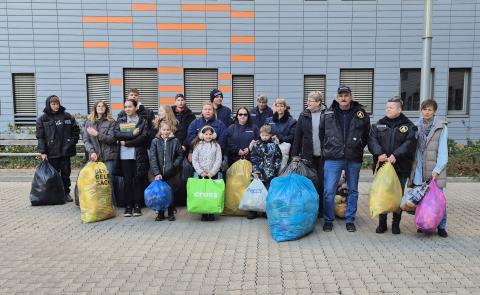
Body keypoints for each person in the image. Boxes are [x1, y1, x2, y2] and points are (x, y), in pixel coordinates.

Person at [320, 86, 370, 232]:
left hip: (353, 156)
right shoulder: (327, 113)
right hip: (333, 157)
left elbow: (366, 134)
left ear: (351, 96)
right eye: (340, 95)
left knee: (353, 190)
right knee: (329, 190)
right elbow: (321, 134)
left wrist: (358, 146)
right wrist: (328, 147)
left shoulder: (361, 113)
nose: (343, 98)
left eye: (346, 95)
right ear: (337, 97)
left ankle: (350, 219)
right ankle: (328, 219)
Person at [368, 97, 417, 234]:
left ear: (399, 109)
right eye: (387, 107)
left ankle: (396, 224)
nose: (387, 109)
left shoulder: (409, 126)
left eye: (391, 107)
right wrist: (379, 153)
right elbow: (372, 140)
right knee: (382, 194)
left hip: (400, 167)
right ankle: (382, 224)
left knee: (398, 196)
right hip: (383, 166)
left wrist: (396, 155)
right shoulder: (379, 125)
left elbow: (410, 143)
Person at [409, 99, 449, 238]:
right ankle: (423, 224)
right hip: (419, 168)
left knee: (438, 201)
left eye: (430, 109)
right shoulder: (416, 126)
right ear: (421, 110)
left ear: (435, 111)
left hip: (435, 170)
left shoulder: (441, 127)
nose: (427, 112)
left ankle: (442, 227)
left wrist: (438, 169)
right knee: (422, 200)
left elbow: (443, 151)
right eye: (424, 109)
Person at [36, 95, 80, 202]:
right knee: (53, 175)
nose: (56, 106)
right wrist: (43, 152)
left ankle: (66, 193)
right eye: (53, 104)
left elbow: (76, 130)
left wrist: (72, 142)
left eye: (57, 103)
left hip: (65, 151)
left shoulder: (67, 116)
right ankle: (55, 195)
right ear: (49, 104)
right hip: (51, 152)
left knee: (66, 174)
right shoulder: (43, 119)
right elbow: (40, 136)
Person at [292, 91, 326, 217]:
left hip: (324, 157)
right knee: (310, 183)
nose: (307, 103)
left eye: (310, 101)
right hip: (308, 156)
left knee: (322, 184)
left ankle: (321, 211)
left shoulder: (327, 114)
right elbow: (298, 136)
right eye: (308, 100)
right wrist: (295, 156)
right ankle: (310, 210)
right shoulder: (304, 115)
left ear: (318, 102)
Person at [114, 99, 149, 217]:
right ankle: (128, 206)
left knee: (138, 181)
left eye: (130, 106)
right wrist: (132, 134)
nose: (127, 109)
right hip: (124, 156)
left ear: (135, 108)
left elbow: (143, 137)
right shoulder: (121, 120)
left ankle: (137, 206)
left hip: (138, 155)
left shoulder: (142, 121)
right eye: (125, 107)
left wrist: (127, 143)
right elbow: (117, 134)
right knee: (127, 181)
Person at [149, 121, 184, 222]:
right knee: (160, 193)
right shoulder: (155, 141)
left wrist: (174, 166)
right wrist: (156, 173)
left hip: (171, 172)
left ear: (171, 130)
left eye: (168, 130)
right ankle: (160, 213)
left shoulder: (175, 141)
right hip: (159, 173)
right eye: (164, 129)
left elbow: (180, 155)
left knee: (170, 193)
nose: (166, 132)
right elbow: (153, 158)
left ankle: (170, 213)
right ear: (160, 130)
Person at [249, 125, 282, 219]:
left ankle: (266, 211)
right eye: (262, 135)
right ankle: (253, 211)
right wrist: (255, 171)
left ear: (270, 135)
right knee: (256, 192)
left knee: (268, 192)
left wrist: (275, 169)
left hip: (270, 173)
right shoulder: (256, 144)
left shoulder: (274, 145)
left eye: (266, 135)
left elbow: (278, 158)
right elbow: (253, 158)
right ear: (260, 135)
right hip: (258, 173)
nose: (264, 137)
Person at [191, 125, 223, 222]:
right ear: (202, 135)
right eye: (206, 134)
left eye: (210, 134)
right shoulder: (198, 146)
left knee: (212, 193)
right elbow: (194, 160)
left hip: (212, 174)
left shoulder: (216, 146)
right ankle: (204, 212)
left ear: (213, 135)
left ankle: (211, 212)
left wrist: (212, 172)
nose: (208, 136)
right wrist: (201, 172)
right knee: (203, 193)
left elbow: (218, 160)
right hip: (202, 174)